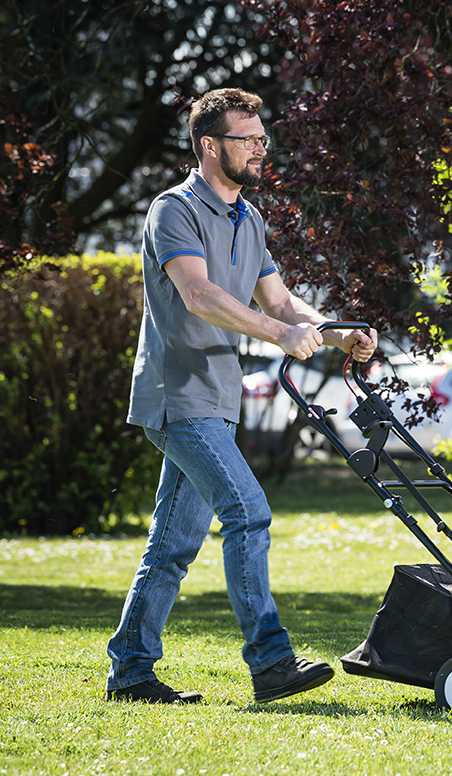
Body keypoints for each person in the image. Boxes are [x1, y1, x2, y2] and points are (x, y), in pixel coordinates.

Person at [105, 88, 377, 704]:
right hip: (178, 396)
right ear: (210, 146)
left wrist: (336, 333)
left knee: (172, 548)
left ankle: (130, 672)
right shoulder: (173, 210)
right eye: (247, 139)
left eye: (261, 138)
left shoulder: (248, 218)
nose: (261, 148)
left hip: (218, 400)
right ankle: (272, 660)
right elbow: (199, 295)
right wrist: (283, 335)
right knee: (248, 514)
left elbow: (281, 303)